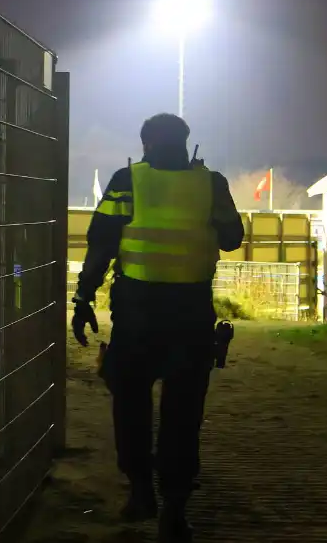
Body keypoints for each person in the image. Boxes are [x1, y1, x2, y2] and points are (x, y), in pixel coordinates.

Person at [71, 114, 243, 542]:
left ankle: (140, 493)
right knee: (183, 416)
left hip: (137, 313)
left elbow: (101, 244)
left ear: (145, 144)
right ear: (187, 144)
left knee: (130, 406)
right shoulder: (211, 183)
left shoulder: (126, 180)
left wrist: (83, 298)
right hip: (190, 314)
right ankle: (175, 510)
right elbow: (231, 238)